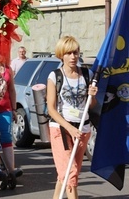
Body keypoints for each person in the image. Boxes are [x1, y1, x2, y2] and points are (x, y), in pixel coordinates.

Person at [46, 36, 98, 199]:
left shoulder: (86, 74)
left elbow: (91, 105)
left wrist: (93, 96)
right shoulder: (55, 76)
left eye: (75, 52)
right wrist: (69, 128)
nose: (73, 57)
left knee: (65, 173)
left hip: (83, 128)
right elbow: (51, 109)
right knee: (71, 172)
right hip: (61, 129)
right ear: (61, 54)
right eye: (68, 53)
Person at [0, 58, 18, 189]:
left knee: (6, 138)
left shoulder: (8, 69)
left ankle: (11, 170)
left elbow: (12, 90)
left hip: (5, 109)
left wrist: (13, 109)